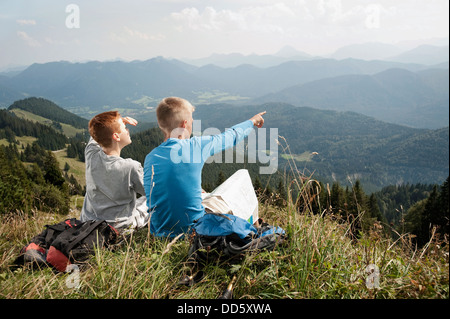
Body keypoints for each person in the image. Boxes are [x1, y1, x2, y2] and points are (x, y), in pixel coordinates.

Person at [143, 97, 266, 238]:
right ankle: (255, 229)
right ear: (184, 124)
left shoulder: (150, 157)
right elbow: (231, 136)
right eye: (191, 121)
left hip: (159, 232)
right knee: (242, 175)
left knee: (204, 195)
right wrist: (252, 121)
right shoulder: (195, 146)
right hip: (194, 229)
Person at [80, 111, 149, 232]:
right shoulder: (131, 167)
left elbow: (96, 135)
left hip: (89, 224)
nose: (127, 129)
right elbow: (151, 192)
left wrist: (117, 123)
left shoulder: (91, 155)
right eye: (124, 127)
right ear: (116, 136)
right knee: (149, 201)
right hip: (119, 228)